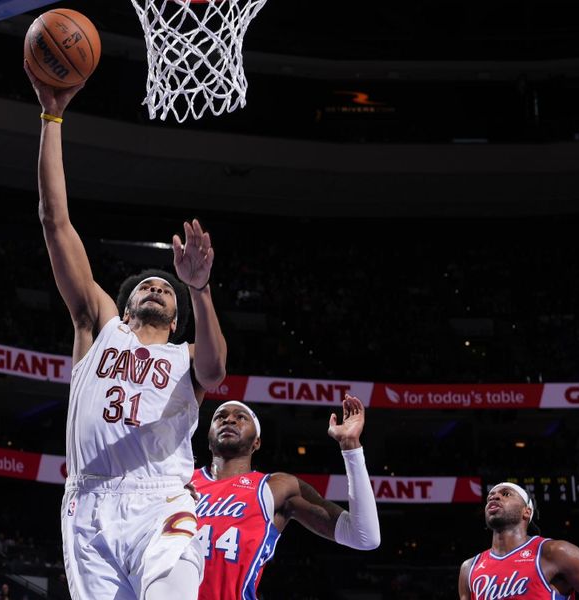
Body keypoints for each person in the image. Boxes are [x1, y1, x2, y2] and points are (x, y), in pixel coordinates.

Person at [25, 62, 228, 600]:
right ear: (125, 303)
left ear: (179, 315)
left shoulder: (188, 353)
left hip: (160, 500)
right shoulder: (98, 327)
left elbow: (216, 370)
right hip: (85, 505)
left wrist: (201, 289)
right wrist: (52, 116)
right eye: (148, 286)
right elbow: (55, 220)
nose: (159, 288)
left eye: (169, 288)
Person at [191, 395, 380, 599]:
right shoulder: (179, 481)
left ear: (257, 442)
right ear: (209, 440)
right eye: (220, 416)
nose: (229, 420)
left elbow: (364, 537)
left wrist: (351, 446)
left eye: (241, 417)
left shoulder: (276, 487)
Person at [458, 482, 579, 600]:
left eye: (506, 494)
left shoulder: (555, 552)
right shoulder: (469, 568)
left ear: (526, 511)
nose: (495, 497)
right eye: (490, 496)